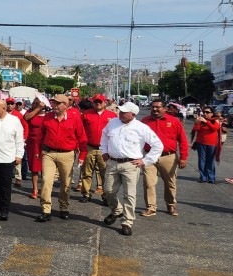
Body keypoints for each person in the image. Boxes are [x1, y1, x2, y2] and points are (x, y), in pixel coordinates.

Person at [101, 102, 164, 236]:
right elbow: (104, 137)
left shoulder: (141, 128)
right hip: (112, 162)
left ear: (133, 114)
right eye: (120, 111)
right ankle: (117, 211)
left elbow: (157, 145)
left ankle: (127, 222)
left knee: (129, 194)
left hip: (131, 164)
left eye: (124, 112)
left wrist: (145, 160)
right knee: (108, 191)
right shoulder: (112, 123)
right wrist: (104, 151)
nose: (121, 114)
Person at [35, 94, 87, 223]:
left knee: (66, 183)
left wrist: (82, 155)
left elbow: (82, 138)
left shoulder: (75, 118)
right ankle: (46, 209)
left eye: (58, 103)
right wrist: (37, 151)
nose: (55, 106)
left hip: (67, 154)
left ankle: (63, 207)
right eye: (54, 103)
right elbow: (39, 136)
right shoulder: (47, 117)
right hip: (49, 153)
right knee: (46, 181)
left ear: (66, 105)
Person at [140, 100, 189, 217]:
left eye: (158, 107)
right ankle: (151, 207)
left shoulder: (174, 121)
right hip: (149, 156)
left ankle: (171, 204)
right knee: (148, 183)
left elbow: (182, 140)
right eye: (153, 107)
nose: (155, 109)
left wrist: (183, 157)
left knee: (170, 182)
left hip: (168, 157)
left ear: (165, 109)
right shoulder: (144, 121)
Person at [79, 94, 116, 203]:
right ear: (93, 103)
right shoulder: (86, 114)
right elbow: (80, 130)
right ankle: (86, 193)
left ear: (105, 103)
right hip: (89, 147)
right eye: (96, 102)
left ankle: (106, 196)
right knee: (86, 172)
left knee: (105, 173)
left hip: (105, 149)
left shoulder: (112, 115)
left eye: (100, 101)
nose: (98, 103)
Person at [24, 98, 47, 199]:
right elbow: (26, 118)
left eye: (37, 103)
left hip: (45, 144)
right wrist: (37, 108)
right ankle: (35, 189)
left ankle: (44, 189)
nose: (34, 104)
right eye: (34, 103)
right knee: (34, 168)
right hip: (32, 143)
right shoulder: (30, 112)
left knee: (45, 169)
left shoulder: (48, 115)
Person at [191, 107, 221, 183]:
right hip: (201, 143)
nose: (205, 113)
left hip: (212, 144)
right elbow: (195, 129)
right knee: (202, 160)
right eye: (204, 112)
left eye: (207, 112)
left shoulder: (215, 120)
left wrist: (206, 121)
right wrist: (197, 122)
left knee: (210, 161)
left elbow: (215, 128)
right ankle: (203, 177)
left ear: (212, 113)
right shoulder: (200, 120)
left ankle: (211, 178)